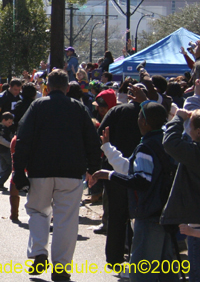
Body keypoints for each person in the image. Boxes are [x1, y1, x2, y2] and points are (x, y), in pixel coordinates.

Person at [13, 69, 102, 281]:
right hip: (71, 173)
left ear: (47, 87)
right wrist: (93, 168)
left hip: (40, 170)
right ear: (68, 88)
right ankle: (61, 267)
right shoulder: (79, 108)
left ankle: (39, 252)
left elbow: (23, 139)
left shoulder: (37, 106)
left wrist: (18, 170)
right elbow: (92, 140)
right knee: (66, 219)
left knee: (38, 211)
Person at [92, 101, 178, 282]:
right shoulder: (164, 142)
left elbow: (141, 180)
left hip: (149, 216)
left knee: (142, 273)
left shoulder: (146, 148)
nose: (137, 119)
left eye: (140, 116)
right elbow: (129, 168)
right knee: (166, 273)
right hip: (166, 213)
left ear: (145, 122)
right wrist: (108, 149)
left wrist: (110, 176)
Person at [95, 82, 145, 269]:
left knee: (117, 214)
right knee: (138, 215)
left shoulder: (117, 112)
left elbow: (101, 134)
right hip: (141, 170)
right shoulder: (150, 112)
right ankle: (134, 254)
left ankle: (114, 257)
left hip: (114, 169)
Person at [160, 107, 200, 282]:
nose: (187, 130)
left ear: (198, 132)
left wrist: (177, 118)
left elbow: (170, 143)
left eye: (189, 126)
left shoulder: (196, 153)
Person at [0, 112, 15, 191]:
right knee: (8, 168)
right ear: (4, 120)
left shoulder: (7, 128)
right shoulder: (1, 128)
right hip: (5, 151)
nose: (10, 124)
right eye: (9, 122)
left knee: (5, 168)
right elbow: (0, 139)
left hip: (3, 151)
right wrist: (11, 145)